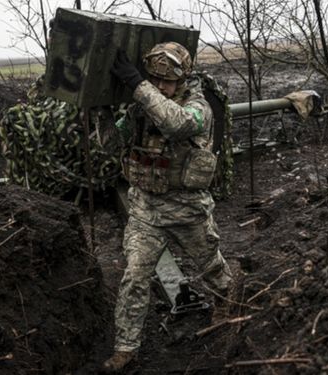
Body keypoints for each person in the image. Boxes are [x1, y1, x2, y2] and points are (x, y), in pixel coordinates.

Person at [103, 42, 232, 372]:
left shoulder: (197, 106)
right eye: (155, 79)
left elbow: (177, 124)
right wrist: (102, 114)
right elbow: (113, 142)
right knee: (134, 277)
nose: (161, 86)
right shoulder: (141, 108)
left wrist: (138, 85)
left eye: (168, 81)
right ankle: (126, 348)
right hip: (146, 209)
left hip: (187, 208)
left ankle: (226, 304)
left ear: (183, 79)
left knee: (211, 267)